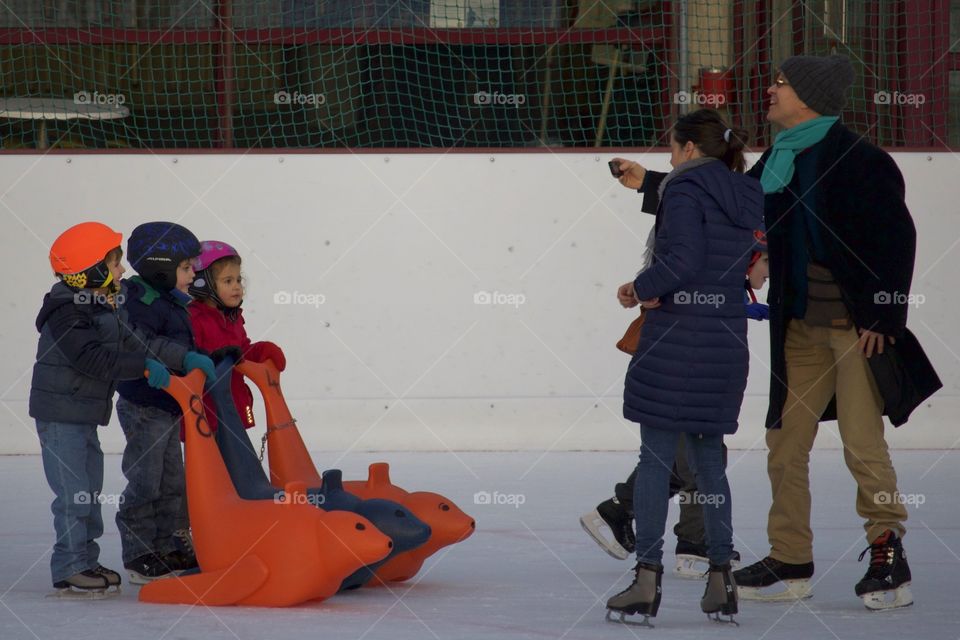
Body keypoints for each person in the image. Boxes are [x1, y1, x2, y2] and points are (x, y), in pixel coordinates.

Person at [615, 55, 940, 610]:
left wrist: (884, 318)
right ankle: (791, 558)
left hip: (854, 331)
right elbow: (725, 204)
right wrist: (654, 183)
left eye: (782, 84)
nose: (770, 90)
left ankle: (888, 550)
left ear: (809, 95)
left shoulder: (859, 160)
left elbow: (895, 240)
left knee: (864, 446)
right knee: (785, 446)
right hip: (798, 330)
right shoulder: (775, 162)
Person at [604, 108, 763, 626]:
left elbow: (684, 259)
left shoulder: (683, 189)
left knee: (655, 460)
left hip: (678, 338)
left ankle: (646, 579)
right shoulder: (745, 191)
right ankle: (721, 581)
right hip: (724, 338)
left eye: (672, 149)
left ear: (690, 150)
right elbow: (736, 261)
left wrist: (639, 289)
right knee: (710, 463)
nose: (668, 159)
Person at [581, 232, 768, 576]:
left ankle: (621, 509)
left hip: (688, 366)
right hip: (682, 367)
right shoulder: (705, 255)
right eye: (767, 262)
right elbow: (688, 296)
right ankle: (692, 546)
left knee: (688, 454)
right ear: (749, 259)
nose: (769, 273)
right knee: (698, 456)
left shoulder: (718, 268)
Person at [29, 222, 185, 596]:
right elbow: (92, 359)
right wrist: (143, 367)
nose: (122, 271)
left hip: (82, 416)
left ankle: (86, 559)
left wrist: (185, 357)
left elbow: (139, 342)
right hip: (60, 417)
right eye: (115, 264)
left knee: (89, 492)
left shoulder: (104, 304)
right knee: (73, 495)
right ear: (92, 270)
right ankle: (69, 565)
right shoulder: (67, 311)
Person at [114, 222, 215, 584]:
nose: (193, 275)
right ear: (160, 266)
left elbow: (181, 343)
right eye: (186, 268)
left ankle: (169, 545)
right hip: (144, 405)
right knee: (146, 480)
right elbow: (141, 344)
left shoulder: (172, 301)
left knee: (173, 480)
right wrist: (184, 359)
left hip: (170, 405)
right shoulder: (138, 301)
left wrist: (205, 356)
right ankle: (140, 553)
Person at [187, 240, 287, 432]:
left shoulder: (232, 318)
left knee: (237, 460)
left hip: (233, 406)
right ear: (204, 283)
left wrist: (263, 350)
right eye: (228, 281)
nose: (237, 287)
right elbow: (191, 360)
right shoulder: (193, 318)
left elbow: (242, 352)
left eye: (238, 280)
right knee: (215, 462)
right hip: (207, 414)